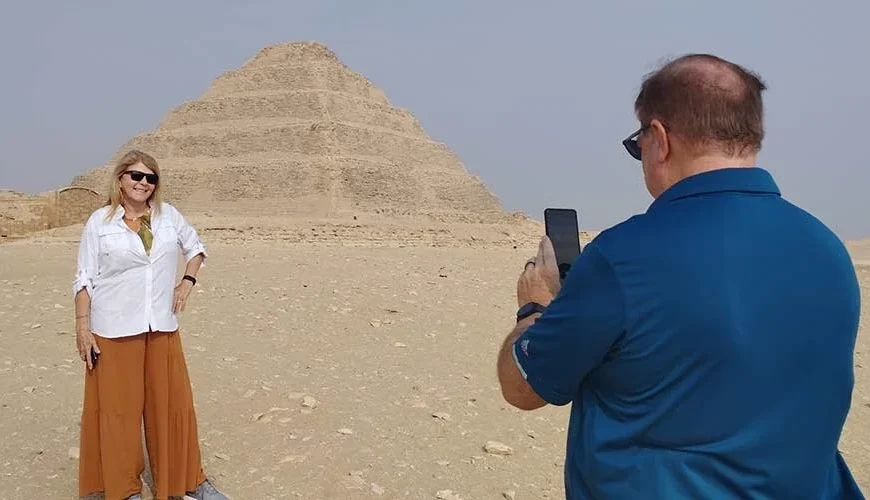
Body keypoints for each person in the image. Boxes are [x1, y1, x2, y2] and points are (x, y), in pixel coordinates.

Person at [496, 54, 865, 499]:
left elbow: (524, 386)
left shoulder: (624, 257)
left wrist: (535, 307)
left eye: (638, 143)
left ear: (660, 138)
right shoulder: (826, 248)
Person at [73, 150, 229, 500]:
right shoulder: (100, 222)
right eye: (136, 176)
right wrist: (82, 325)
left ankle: (186, 482)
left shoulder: (168, 216)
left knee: (172, 408)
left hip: (160, 326)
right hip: (113, 329)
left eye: (150, 178)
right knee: (117, 412)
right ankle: (122, 488)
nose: (143, 183)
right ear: (120, 179)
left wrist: (186, 283)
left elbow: (196, 248)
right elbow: (83, 278)